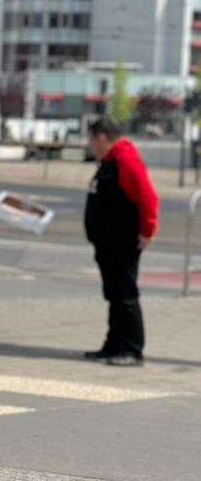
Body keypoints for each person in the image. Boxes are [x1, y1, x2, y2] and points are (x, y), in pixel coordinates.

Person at [84, 117, 158, 367]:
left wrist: (147, 231)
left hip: (122, 241)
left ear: (102, 138)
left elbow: (147, 196)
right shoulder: (111, 160)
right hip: (108, 242)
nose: (90, 144)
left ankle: (133, 349)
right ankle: (113, 344)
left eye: (91, 139)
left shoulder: (125, 159)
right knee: (114, 295)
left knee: (125, 295)